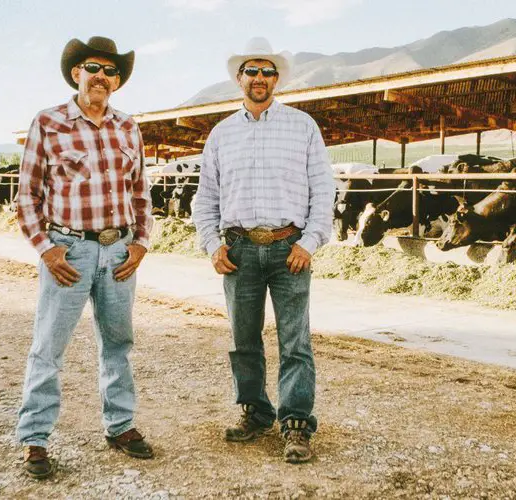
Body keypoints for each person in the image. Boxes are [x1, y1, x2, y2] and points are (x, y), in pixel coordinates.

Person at [15, 36, 154, 479]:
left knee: (118, 343)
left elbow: (140, 192)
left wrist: (140, 243)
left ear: (117, 81)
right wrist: (47, 248)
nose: (102, 77)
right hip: (69, 251)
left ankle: (120, 425)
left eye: (111, 71)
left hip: (118, 251)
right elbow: (27, 195)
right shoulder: (49, 122)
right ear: (76, 72)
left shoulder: (128, 126)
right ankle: (35, 438)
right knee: (49, 347)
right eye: (94, 67)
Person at [193, 37, 335, 464]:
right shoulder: (221, 133)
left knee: (295, 341)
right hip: (238, 249)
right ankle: (255, 411)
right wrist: (211, 244)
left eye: (267, 71)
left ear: (277, 79)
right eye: (252, 71)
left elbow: (323, 189)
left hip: (288, 246)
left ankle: (296, 424)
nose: (259, 78)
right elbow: (206, 198)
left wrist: (310, 242)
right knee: (243, 339)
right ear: (239, 78)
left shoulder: (302, 126)